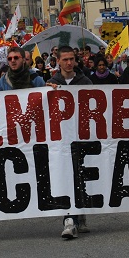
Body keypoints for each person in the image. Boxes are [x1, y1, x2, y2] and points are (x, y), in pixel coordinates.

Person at [45, 46, 93, 239]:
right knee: (66, 177)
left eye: (72, 59)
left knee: (80, 177)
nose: (69, 63)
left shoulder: (85, 82)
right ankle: (69, 219)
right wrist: (47, 93)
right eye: (65, 59)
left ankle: (79, 214)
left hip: (81, 138)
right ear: (57, 60)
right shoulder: (51, 83)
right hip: (61, 140)